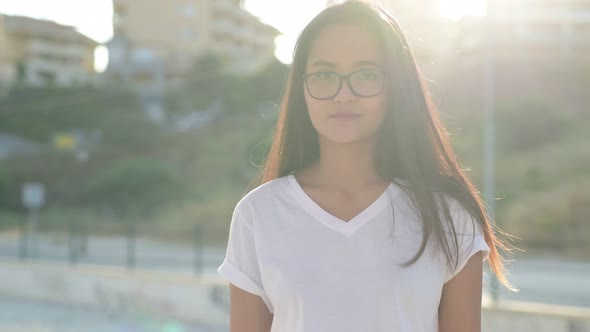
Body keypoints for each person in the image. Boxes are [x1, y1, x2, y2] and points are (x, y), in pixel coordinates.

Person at [217, 1, 516, 331]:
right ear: (302, 87)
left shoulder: (449, 215)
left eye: (366, 75)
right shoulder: (259, 214)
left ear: (395, 87)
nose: (344, 94)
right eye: (324, 75)